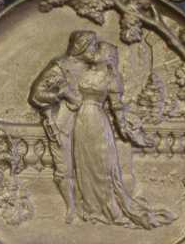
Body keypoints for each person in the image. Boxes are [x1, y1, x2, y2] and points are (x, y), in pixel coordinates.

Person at [69, 41, 176, 229]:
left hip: (97, 121)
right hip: (80, 121)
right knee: (85, 166)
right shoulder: (83, 73)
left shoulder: (113, 78)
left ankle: (112, 210)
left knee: (103, 167)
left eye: (99, 49)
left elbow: (118, 109)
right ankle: (93, 210)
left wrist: (132, 134)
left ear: (108, 56)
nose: (94, 51)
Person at [29, 30, 95, 224]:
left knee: (89, 167)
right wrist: (60, 94)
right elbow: (36, 95)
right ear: (81, 46)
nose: (94, 50)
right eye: (91, 45)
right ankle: (71, 208)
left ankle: (89, 206)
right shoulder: (60, 67)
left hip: (91, 124)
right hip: (63, 123)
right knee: (64, 168)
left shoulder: (96, 68)